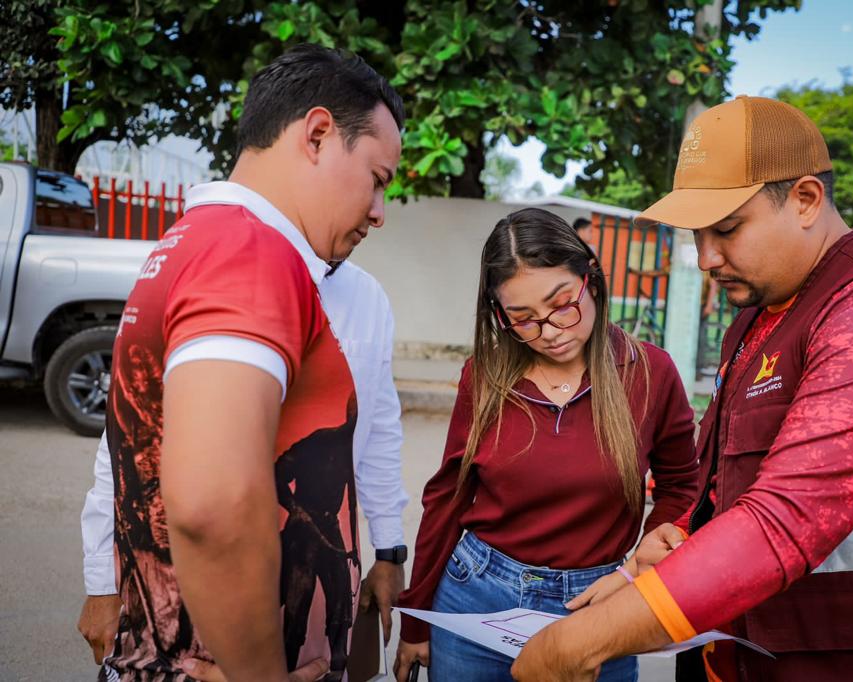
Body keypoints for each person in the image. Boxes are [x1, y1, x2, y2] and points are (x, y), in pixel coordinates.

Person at [511, 95, 853, 681]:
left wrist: (583, 640)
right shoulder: (760, 317)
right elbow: (727, 488)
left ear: (805, 199)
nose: (705, 257)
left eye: (727, 229)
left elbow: (784, 518)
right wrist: (678, 543)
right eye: (697, 234)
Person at [88, 44, 404, 681]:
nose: (378, 210)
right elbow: (215, 505)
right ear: (317, 135)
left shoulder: (196, 240)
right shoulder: (251, 253)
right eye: (377, 178)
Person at [393, 207, 700, 681]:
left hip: (598, 605)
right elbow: (446, 498)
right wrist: (415, 619)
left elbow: (683, 485)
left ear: (590, 279)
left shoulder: (650, 373)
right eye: (523, 319)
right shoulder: (486, 375)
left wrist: (635, 571)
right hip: (475, 598)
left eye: (561, 305)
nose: (550, 331)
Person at [77, 258, 411, 679]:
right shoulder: (207, 271)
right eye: (375, 187)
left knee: (327, 630)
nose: (377, 213)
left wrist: (389, 550)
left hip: (326, 549)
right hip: (192, 573)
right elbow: (123, 449)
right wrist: (102, 585)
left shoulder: (367, 298)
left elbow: (379, 431)